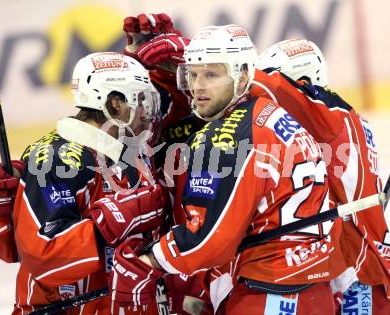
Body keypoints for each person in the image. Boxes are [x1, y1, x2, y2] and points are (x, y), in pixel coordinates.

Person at [107, 24, 350, 315]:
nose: (198, 86)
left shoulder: (222, 139)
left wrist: (145, 261)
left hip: (267, 297)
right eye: (193, 74)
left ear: (243, 75)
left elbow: (207, 241)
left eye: (211, 74)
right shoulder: (272, 113)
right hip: (315, 294)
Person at [0, 52, 168, 315]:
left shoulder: (126, 151)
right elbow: (44, 257)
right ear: (114, 105)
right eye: (141, 101)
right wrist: (109, 223)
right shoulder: (59, 159)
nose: (147, 113)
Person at [252, 38, 390, 314]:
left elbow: (262, 84)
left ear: (305, 80)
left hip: (360, 278)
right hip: (356, 269)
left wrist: (201, 60)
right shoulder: (340, 120)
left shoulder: (327, 113)